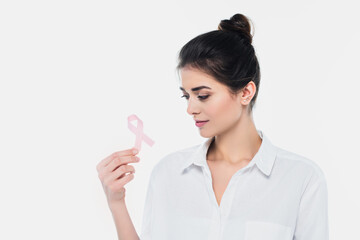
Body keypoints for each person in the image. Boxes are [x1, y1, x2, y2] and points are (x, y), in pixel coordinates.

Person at [96, 13, 329, 240]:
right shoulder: (168, 174)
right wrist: (116, 203)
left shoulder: (301, 179)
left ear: (246, 93)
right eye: (186, 96)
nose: (190, 109)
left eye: (203, 95)